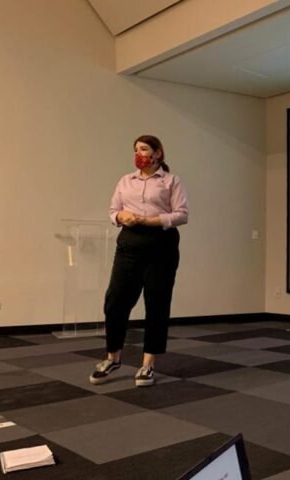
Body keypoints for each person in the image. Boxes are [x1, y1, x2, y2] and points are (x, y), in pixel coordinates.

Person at [89, 135, 189, 387]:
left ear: (158, 153)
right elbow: (113, 211)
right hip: (130, 245)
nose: (139, 154)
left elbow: (181, 215)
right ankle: (113, 358)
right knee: (115, 301)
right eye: (136, 149)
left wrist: (148, 220)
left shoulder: (171, 181)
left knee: (156, 303)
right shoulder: (126, 180)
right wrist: (121, 217)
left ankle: (148, 364)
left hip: (161, 247)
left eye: (144, 149)